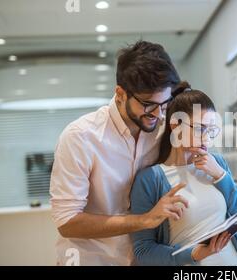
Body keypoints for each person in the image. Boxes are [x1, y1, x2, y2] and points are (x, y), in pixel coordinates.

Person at [49, 41, 189, 266]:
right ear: (121, 94)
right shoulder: (80, 137)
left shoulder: (161, 129)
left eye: (165, 103)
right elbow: (67, 222)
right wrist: (144, 220)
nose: (159, 114)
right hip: (90, 259)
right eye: (148, 104)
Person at [130, 82, 237, 266]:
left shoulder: (217, 163)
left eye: (211, 130)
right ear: (175, 125)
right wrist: (194, 254)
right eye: (199, 128)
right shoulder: (150, 179)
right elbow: (144, 251)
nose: (206, 138)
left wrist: (221, 176)